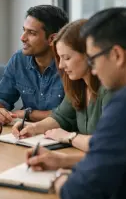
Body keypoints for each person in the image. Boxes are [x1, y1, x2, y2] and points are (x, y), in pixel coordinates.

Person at [27, 8, 126, 199]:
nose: (94, 69)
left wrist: (59, 180)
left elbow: (80, 192)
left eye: (94, 59)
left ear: (117, 55)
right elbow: (114, 160)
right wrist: (63, 160)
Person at [12, 19, 112, 151]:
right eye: (60, 58)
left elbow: (108, 143)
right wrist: (33, 128)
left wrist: (69, 137)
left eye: (67, 58)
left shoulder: (110, 88)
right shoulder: (78, 85)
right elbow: (61, 117)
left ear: (89, 55)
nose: (61, 65)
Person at [0, 5, 69, 125]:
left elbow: (70, 115)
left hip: (62, 136)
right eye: (24, 30)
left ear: (52, 39)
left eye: (32, 33)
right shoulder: (18, 60)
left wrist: (28, 114)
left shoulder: (69, 66)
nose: (22, 38)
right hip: (27, 134)